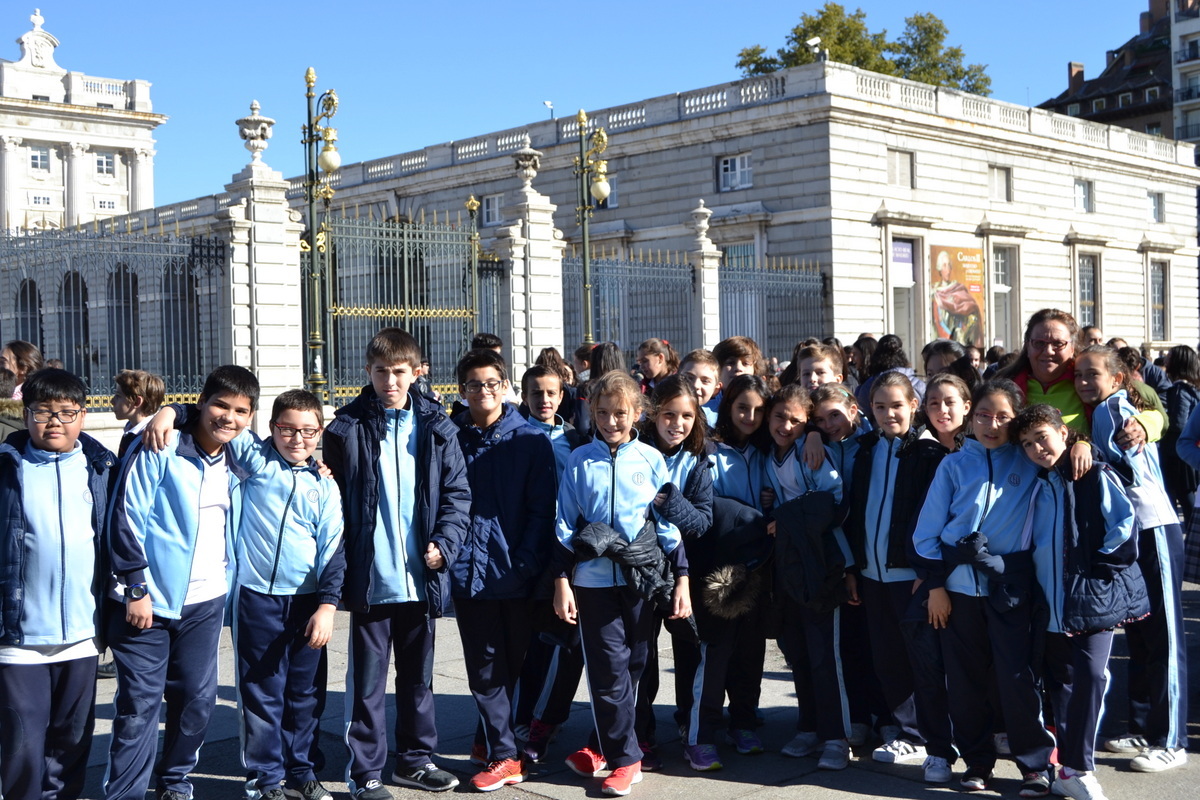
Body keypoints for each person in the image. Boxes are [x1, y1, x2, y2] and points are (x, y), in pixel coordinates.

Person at [145, 389, 347, 800]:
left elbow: (333, 551)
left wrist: (327, 606)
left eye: (308, 431)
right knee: (261, 692)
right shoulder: (255, 461)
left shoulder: (324, 486)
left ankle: (302, 771)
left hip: (308, 603)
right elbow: (220, 419)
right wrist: (170, 411)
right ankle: (265, 778)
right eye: (287, 429)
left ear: (320, 433)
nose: (297, 439)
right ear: (271, 428)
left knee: (305, 695)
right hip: (257, 598)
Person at [323, 328, 470, 798]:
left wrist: (445, 543)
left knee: (418, 680)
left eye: (400, 372)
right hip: (372, 579)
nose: (390, 381)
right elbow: (331, 497)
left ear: (418, 372)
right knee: (367, 685)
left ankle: (415, 761)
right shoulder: (345, 428)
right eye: (381, 371)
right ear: (367, 371)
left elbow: (457, 496)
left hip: (420, 578)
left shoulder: (438, 427)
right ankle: (365, 772)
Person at [105, 365, 260, 800]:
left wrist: (318, 468)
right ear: (202, 403)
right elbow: (126, 517)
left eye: (241, 411)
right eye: (220, 405)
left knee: (197, 700)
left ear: (251, 416)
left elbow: (287, 457)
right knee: (139, 706)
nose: (229, 417)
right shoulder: (161, 445)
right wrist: (136, 587)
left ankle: (174, 782)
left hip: (206, 601)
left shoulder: (240, 455)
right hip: (147, 601)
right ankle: (125, 793)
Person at [911, 380, 1055, 795]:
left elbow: (1060, 448)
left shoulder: (1029, 461)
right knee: (965, 683)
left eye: (1003, 417)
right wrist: (937, 586)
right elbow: (925, 536)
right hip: (957, 595)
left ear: (1016, 420)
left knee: (1017, 680)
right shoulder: (953, 466)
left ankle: (1034, 765)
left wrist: (1081, 445)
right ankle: (977, 762)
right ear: (971, 416)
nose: (992, 425)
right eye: (984, 416)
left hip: (1010, 592)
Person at [553, 371, 691, 797]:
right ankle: (626, 760)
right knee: (608, 671)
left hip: (641, 580)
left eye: (620, 413)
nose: (611, 421)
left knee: (634, 666)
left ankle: (606, 747)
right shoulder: (579, 460)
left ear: (637, 414)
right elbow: (564, 525)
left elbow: (667, 527)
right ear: (592, 413)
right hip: (592, 582)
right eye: (602, 413)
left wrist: (682, 578)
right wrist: (562, 580)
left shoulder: (651, 459)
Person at [1013, 404, 1144, 800]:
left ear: (1064, 434)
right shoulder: (1038, 484)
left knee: (1091, 679)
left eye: (1042, 437)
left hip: (1091, 600)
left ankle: (1079, 768)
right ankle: (1067, 767)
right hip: (1051, 607)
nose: (1036, 448)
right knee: (1063, 685)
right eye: (1027, 443)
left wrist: (1096, 572)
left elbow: (1125, 527)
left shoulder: (1094, 474)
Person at [0, 369, 118, 800]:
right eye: (43, 411)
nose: (55, 421)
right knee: (22, 747)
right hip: (18, 639)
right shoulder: (7, 469)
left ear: (82, 416)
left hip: (82, 636)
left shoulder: (102, 468)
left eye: (67, 412)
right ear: (25, 414)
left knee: (71, 744)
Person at [1076, 346, 1189, 773]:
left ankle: (1172, 739)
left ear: (1117, 378)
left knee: (1165, 635)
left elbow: (1122, 470)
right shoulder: (1102, 411)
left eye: (1093, 374)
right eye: (1079, 375)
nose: (1084, 382)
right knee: (1140, 631)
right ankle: (1142, 726)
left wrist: (1087, 450)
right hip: (1130, 533)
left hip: (1153, 527)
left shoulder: (1117, 409)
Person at [450, 349, 557, 792]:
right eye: (474, 384)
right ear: (462, 390)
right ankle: (505, 755)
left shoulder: (529, 440)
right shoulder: (450, 437)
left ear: (505, 386)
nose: (484, 391)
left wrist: (526, 563)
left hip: (516, 572)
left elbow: (542, 510)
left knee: (510, 665)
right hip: (467, 572)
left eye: (492, 383)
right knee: (484, 667)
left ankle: (492, 739)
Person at [761, 384, 852, 771]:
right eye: (779, 416)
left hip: (822, 565)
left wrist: (786, 519)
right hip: (791, 565)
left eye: (796, 420)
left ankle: (837, 737)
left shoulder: (810, 450)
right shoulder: (771, 456)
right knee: (797, 651)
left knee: (824, 655)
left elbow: (834, 501)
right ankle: (809, 727)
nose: (786, 425)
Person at [843, 373, 928, 771]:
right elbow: (855, 511)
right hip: (872, 574)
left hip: (910, 575)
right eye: (880, 406)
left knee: (919, 659)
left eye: (896, 405)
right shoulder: (866, 450)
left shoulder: (927, 452)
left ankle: (919, 733)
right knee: (887, 658)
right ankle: (901, 726)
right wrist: (854, 567)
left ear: (913, 405)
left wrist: (929, 571)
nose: (888, 413)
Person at [634, 376, 713, 771]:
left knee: (691, 651)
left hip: (684, 575)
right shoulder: (633, 449)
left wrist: (669, 500)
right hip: (639, 572)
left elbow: (701, 522)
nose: (677, 424)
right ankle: (641, 735)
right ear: (653, 413)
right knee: (641, 655)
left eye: (686, 416)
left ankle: (690, 728)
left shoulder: (698, 460)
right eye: (668, 415)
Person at [1161, 345, 1200, 523]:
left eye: (1169, 357)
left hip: (1176, 454)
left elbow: (1179, 423)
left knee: (1183, 498)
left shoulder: (1180, 390)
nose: (1165, 360)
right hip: (1187, 452)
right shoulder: (1193, 388)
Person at [111, 369, 166, 459]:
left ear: (137, 402)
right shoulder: (130, 430)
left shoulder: (153, 439)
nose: (112, 401)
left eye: (118, 396)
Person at [679, 349, 722, 429]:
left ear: (716, 389)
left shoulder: (716, 424)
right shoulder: (660, 415)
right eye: (689, 378)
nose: (696, 385)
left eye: (705, 381)